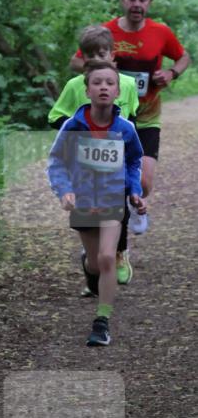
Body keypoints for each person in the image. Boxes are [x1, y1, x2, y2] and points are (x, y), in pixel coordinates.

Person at [69, 0, 191, 234]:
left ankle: (133, 203)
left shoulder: (161, 32)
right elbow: (76, 62)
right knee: (109, 177)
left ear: (149, 3)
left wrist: (171, 73)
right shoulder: (106, 32)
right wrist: (101, 68)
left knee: (144, 181)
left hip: (146, 115)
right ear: (123, 0)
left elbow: (183, 57)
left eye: (142, 0)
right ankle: (111, 236)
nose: (137, 4)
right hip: (111, 117)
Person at [48, 60, 144, 347]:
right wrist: (65, 190)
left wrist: (135, 191)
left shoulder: (125, 128)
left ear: (118, 92)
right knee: (93, 263)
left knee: (107, 258)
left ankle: (102, 322)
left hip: (113, 200)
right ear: (87, 90)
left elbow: (134, 160)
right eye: (97, 83)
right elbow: (56, 161)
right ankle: (89, 269)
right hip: (83, 201)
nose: (104, 87)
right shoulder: (73, 126)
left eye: (110, 83)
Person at [50, 25, 138, 287]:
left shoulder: (128, 84)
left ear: (112, 54)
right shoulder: (75, 86)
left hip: (116, 163)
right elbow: (55, 116)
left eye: (102, 53)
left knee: (121, 206)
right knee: (92, 229)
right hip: (85, 169)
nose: (97, 59)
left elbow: (132, 120)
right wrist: (79, 131)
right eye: (91, 55)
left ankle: (118, 254)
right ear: (83, 58)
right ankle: (93, 262)